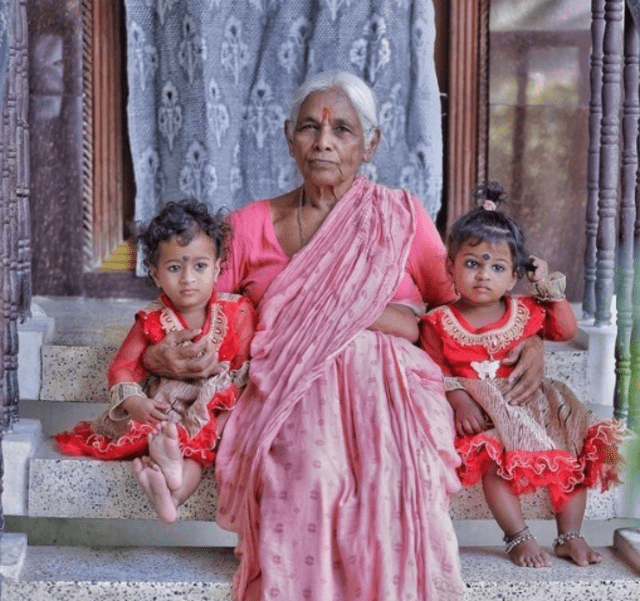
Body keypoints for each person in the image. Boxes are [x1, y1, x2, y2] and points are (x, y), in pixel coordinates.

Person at [142, 71, 543, 601]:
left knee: (405, 470)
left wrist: (529, 340)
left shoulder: (399, 216)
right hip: (293, 388)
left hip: (396, 388)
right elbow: (185, 302)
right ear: (289, 136)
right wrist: (157, 352)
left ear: (371, 143)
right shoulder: (251, 224)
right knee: (310, 470)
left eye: (343, 130)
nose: (324, 141)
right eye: (309, 127)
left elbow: (462, 303)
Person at [419, 182, 624, 569]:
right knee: (498, 468)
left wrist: (546, 287)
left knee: (573, 458)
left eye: (497, 267)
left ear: (513, 277)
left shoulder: (526, 310)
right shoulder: (440, 321)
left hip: (535, 405)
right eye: (472, 263)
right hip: (486, 412)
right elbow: (435, 368)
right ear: (450, 267)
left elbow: (563, 330)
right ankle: (518, 536)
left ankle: (570, 534)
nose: (483, 275)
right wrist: (459, 398)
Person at [55, 199, 256, 523]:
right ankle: (171, 484)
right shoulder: (150, 320)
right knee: (174, 438)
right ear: (155, 274)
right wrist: (134, 403)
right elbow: (122, 367)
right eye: (175, 268)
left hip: (219, 410)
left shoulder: (238, 310)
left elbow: (248, 368)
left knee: (197, 441)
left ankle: (170, 492)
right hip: (168, 410)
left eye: (200, 266)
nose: (188, 279)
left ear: (218, 267)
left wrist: (226, 420)